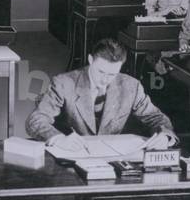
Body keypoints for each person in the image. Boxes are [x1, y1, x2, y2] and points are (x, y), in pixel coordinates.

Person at [26, 37, 177, 152]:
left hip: (112, 157)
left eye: (112, 74)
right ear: (90, 59)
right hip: (72, 155)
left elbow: (156, 117)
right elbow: (36, 120)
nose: (105, 79)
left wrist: (164, 136)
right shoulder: (64, 83)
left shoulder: (131, 86)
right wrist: (58, 139)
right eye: (101, 71)